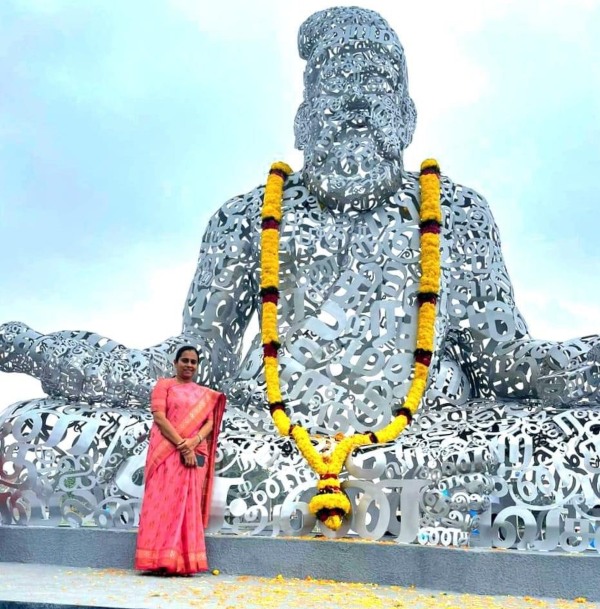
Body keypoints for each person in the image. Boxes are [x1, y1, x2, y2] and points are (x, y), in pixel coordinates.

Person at [0, 6, 598, 539]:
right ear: (304, 115)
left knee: (571, 444)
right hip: (265, 442)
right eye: (339, 85)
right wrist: (34, 348)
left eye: (377, 84)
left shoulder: (458, 215)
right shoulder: (245, 218)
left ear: (408, 114)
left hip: (429, 441)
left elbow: (512, 367)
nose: (358, 103)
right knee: (39, 428)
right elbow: (188, 367)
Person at [134, 346, 225, 575]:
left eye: (193, 362)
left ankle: (181, 562)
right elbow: (159, 418)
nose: (189, 365)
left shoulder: (204, 394)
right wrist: (182, 446)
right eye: (184, 360)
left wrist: (192, 443)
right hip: (165, 451)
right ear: (175, 362)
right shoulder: (164, 385)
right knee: (161, 502)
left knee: (185, 504)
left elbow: (210, 423)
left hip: (193, 455)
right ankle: (157, 560)